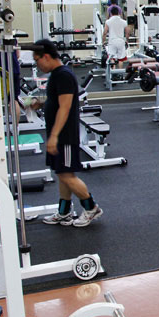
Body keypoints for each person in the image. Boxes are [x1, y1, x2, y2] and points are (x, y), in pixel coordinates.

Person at [30, 40, 102, 227]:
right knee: (62, 172)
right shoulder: (56, 74)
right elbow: (57, 99)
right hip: (59, 134)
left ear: (46, 57)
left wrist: (54, 136)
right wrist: (42, 102)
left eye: (37, 60)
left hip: (65, 135)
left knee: (67, 175)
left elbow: (65, 107)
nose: (37, 65)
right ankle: (64, 212)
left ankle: (91, 208)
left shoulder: (63, 75)